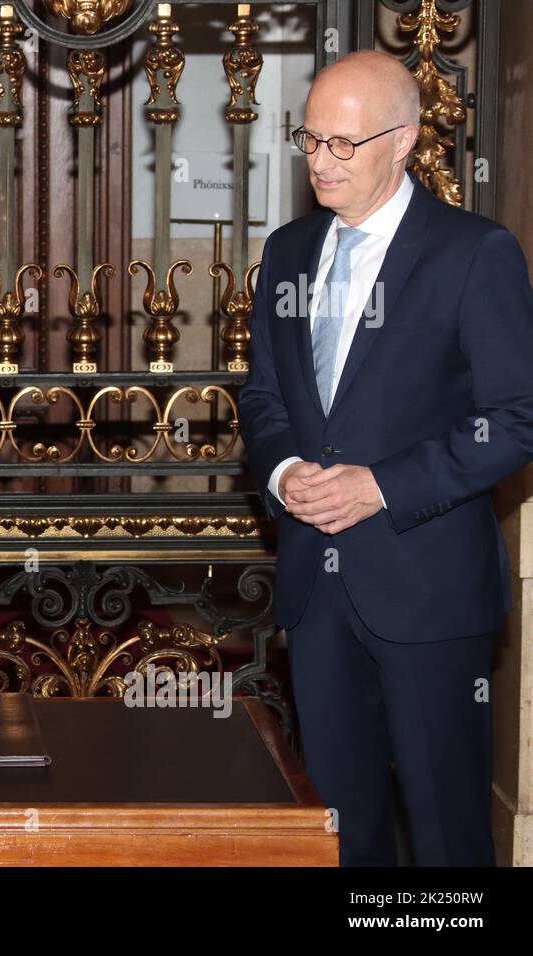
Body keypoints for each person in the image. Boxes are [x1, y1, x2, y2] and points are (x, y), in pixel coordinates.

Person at [239, 50, 533, 865]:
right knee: (338, 828)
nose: (320, 162)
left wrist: (383, 486)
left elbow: (518, 417)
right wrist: (282, 472)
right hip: (314, 592)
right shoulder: (291, 252)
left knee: (443, 832)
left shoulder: (474, 253)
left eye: (344, 144)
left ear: (402, 141)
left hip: (428, 592)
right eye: (309, 140)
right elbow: (262, 397)